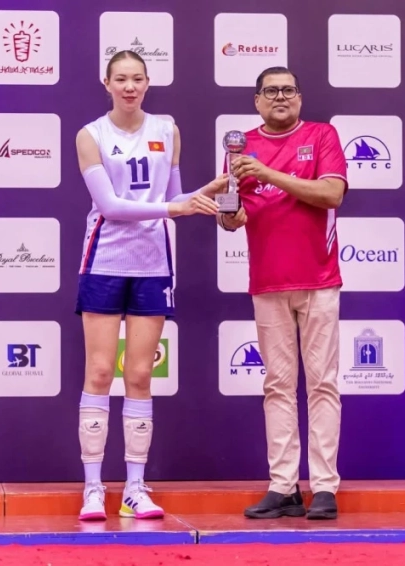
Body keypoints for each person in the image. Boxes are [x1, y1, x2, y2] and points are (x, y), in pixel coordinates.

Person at [74, 50, 226, 522]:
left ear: (147, 82)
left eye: (137, 78)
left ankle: (135, 489)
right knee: (100, 371)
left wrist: (205, 193)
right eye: (121, 79)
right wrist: (173, 209)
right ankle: (93, 488)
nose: (129, 87)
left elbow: (174, 197)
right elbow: (111, 206)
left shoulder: (167, 129)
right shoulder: (91, 135)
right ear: (106, 83)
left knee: (140, 375)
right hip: (104, 261)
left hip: (153, 265)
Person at [217, 66, 347, 521]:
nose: (280, 97)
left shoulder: (322, 135)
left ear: (299, 97)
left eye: (288, 90)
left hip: (319, 279)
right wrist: (228, 216)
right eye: (270, 91)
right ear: (256, 101)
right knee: (277, 386)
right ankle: (284, 486)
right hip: (268, 281)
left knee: (323, 383)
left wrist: (269, 172)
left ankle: (324, 486)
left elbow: (331, 194)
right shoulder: (240, 149)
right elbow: (232, 213)